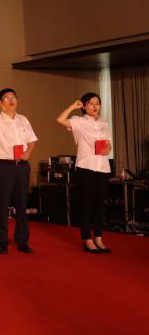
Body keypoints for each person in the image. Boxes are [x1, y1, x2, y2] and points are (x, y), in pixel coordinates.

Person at [0, 88, 37, 255]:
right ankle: (2, 242)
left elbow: (32, 140)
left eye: (13, 97)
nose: (11, 100)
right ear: (1, 103)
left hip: (22, 166)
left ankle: (22, 241)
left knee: (22, 203)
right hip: (4, 166)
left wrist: (28, 153)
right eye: (7, 98)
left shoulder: (23, 119)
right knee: (2, 204)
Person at [56, 93, 112, 253]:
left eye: (97, 103)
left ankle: (98, 238)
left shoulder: (104, 123)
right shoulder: (78, 121)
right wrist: (73, 106)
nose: (95, 106)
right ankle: (87, 239)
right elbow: (60, 120)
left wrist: (108, 149)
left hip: (103, 167)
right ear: (84, 106)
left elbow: (108, 144)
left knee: (99, 204)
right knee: (86, 204)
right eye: (91, 103)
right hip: (86, 166)